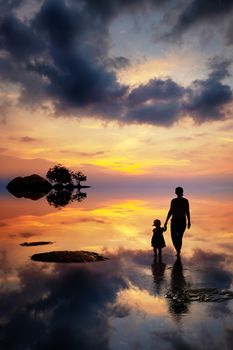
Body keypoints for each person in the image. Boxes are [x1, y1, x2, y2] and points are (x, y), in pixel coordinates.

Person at [164, 187, 191, 256]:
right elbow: (187, 211)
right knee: (179, 237)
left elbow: (171, 211)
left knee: (174, 236)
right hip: (181, 220)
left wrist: (166, 221)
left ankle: (178, 250)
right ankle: (178, 250)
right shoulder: (184, 200)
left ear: (176, 192)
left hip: (176, 220)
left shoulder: (175, 200)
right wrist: (189, 221)